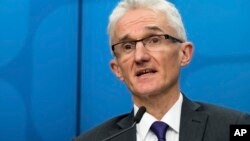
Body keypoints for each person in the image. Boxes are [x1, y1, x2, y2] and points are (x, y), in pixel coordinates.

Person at [74, 0, 250, 140]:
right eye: (127, 46)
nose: (140, 56)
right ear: (117, 69)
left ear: (184, 54)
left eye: (154, 40)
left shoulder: (234, 127)